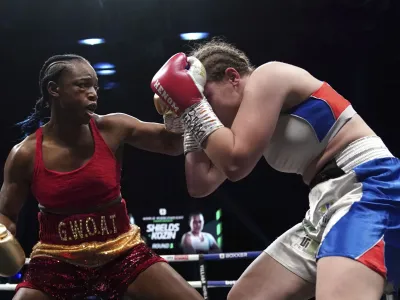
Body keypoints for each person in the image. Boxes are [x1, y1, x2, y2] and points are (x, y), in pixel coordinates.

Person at [151, 39, 400, 300]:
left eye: (208, 99)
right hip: (325, 205)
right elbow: (200, 184)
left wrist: (192, 106)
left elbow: (235, 164)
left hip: (369, 187)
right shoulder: (243, 131)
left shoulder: (268, 76)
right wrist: (190, 119)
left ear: (233, 77)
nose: (209, 113)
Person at [0, 54, 204, 300]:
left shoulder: (113, 128)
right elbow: (7, 214)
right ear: (54, 89)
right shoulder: (25, 154)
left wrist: (184, 106)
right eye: (82, 85)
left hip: (121, 251)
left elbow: (173, 144)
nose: (93, 92)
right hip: (57, 258)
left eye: (95, 86)